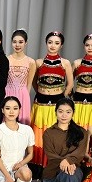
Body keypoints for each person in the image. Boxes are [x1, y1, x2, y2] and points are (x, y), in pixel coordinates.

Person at [31, 31, 74, 170]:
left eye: (56, 43)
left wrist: (62, 97)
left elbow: (70, 84)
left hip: (57, 105)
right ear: (46, 43)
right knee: (39, 133)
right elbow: (33, 82)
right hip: (41, 104)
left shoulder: (65, 63)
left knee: (54, 133)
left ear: (61, 45)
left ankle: (53, 164)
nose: (52, 45)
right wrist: (41, 92)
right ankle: (38, 165)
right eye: (50, 42)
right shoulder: (38, 62)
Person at [40, 98, 88, 182]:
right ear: (56, 112)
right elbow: (50, 154)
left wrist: (69, 161)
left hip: (73, 168)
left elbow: (80, 152)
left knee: (69, 174)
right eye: (60, 111)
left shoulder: (81, 132)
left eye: (68, 112)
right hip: (53, 170)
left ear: (73, 113)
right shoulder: (48, 133)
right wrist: (65, 161)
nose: (64, 115)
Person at [0, 96, 34, 182]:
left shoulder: (27, 130)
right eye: (7, 108)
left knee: (26, 174)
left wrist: (21, 164)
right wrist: (8, 177)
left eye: (15, 108)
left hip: (18, 168)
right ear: (2, 110)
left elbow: (30, 154)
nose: (11, 112)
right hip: (2, 169)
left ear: (19, 110)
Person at [5, 29, 36, 124]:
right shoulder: (6, 60)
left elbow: (29, 84)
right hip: (7, 93)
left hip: (23, 95)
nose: (17, 45)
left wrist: (25, 96)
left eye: (20, 42)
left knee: (23, 123)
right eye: (14, 42)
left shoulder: (31, 62)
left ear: (25, 43)